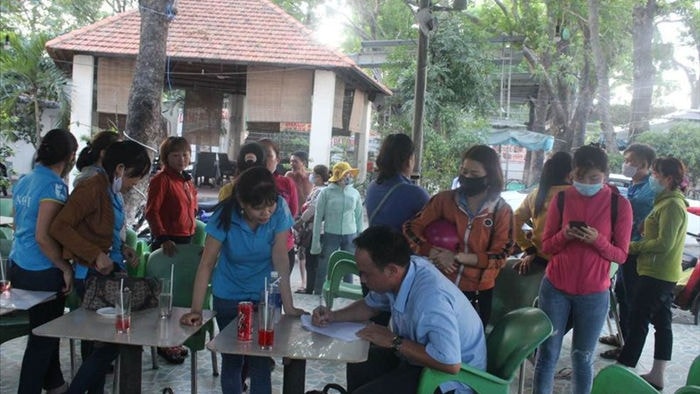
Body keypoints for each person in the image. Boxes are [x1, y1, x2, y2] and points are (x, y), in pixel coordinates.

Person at [312, 226, 486, 394]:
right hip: (421, 362)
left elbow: (450, 363)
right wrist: (333, 316)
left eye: (366, 273)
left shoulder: (431, 300)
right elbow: (369, 306)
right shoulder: (404, 272)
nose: (363, 280)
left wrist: (394, 340)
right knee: (360, 363)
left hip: (452, 381)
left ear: (391, 270)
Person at [180, 166, 304, 394]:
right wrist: (196, 309)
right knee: (233, 358)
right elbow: (207, 264)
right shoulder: (224, 216)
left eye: (270, 204)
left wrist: (289, 306)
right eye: (258, 208)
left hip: (264, 296)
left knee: (261, 359)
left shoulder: (279, 210)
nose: (266, 212)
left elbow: (280, 259)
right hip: (229, 295)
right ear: (241, 202)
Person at [50, 141, 151, 394]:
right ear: (119, 168)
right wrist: (94, 254)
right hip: (93, 275)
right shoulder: (91, 188)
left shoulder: (109, 190)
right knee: (111, 343)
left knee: (103, 343)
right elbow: (60, 227)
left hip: (109, 271)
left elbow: (104, 229)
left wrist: (122, 248)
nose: (134, 185)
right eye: (134, 178)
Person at [532, 145, 633, 394]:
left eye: (593, 178)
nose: (585, 183)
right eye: (578, 177)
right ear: (571, 175)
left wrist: (597, 240)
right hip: (555, 287)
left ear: (605, 176)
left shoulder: (619, 205)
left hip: (594, 293)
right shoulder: (562, 198)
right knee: (547, 354)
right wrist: (564, 236)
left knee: (582, 357)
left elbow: (621, 255)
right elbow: (546, 245)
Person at [404, 145, 513, 326]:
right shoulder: (443, 201)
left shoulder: (501, 211)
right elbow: (410, 228)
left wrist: (456, 257)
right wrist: (430, 251)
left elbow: (500, 256)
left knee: (469, 347)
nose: (467, 177)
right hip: (438, 285)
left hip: (477, 293)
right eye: (464, 171)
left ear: (490, 176)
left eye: (474, 174)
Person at [9, 128, 77, 394]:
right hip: (43, 269)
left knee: (43, 330)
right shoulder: (54, 185)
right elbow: (43, 236)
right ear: (70, 156)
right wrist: (64, 266)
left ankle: (56, 384)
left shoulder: (25, 180)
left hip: (19, 265)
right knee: (43, 339)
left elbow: (17, 224)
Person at [616, 157, 689, 390]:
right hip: (658, 270)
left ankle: (623, 371)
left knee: (638, 320)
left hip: (657, 272)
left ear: (668, 179)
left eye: (656, 174)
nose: (653, 178)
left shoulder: (672, 205)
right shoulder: (664, 202)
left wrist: (633, 246)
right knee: (661, 322)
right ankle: (657, 375)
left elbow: (664, 243)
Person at [599, 143, 657, 359]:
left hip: (638, 251)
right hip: (626, 248)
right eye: (625, 160)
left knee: (632, 298)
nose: (626, 165)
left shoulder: (651, 188)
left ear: (644, 163)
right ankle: (621, 335)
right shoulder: (634, 185)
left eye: (630, 161)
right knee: (622, 295)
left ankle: (628, 345)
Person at [513, 151, 572, 274]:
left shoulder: (537, 193)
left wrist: (528, 248)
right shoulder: (577, 195)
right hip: (566, 264)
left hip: (537, 260)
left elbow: (513, 222)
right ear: (570, 173)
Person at [309, 162, 364, 295]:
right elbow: (318, 217)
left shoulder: (354, 193)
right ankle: (318, 291)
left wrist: (360, 238)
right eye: (346, 174)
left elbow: (359, 217)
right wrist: (315, 242)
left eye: (350, 174)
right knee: (324, 264)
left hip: (350, 234)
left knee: (348, 265)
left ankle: (347, 292)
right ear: (338, 175)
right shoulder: (326, 193)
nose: (349, 176)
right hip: (330, 233)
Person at [365, 133, 429, 231]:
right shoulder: (416, 194)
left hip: (373, 245)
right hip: (400, 246)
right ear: (409, 160)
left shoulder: (372, 187)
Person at [146, 136, 197, 256]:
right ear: (166, 157)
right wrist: (163, 238)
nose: (181, 159)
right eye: (175, 155)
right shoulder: (161, 179)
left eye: (185, 155)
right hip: (168, 241)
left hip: (187, 237)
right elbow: (151, 212)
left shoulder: (187, 181)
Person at [295, 164, 330, 294]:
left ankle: (311, 288)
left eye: (314, 174)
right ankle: (314, 287)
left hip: (315, 230)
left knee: (312, 261)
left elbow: (313, 209)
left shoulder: (321, 191)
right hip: (317, 229)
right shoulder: (320, 189)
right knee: (314, 260)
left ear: (320, 177)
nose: (311, 176)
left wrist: (300, 221)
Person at [286, 151, 313, 291]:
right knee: (296, 250)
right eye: (291, 161)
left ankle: (305, 282)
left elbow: (310, 197)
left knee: (304, 249)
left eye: (295, 161)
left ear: (303, 162)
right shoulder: (288, 176)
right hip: (293, 216)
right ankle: (300, 282)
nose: (292, 164)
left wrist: (302, 178)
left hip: (306, 216)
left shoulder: (310, 177)